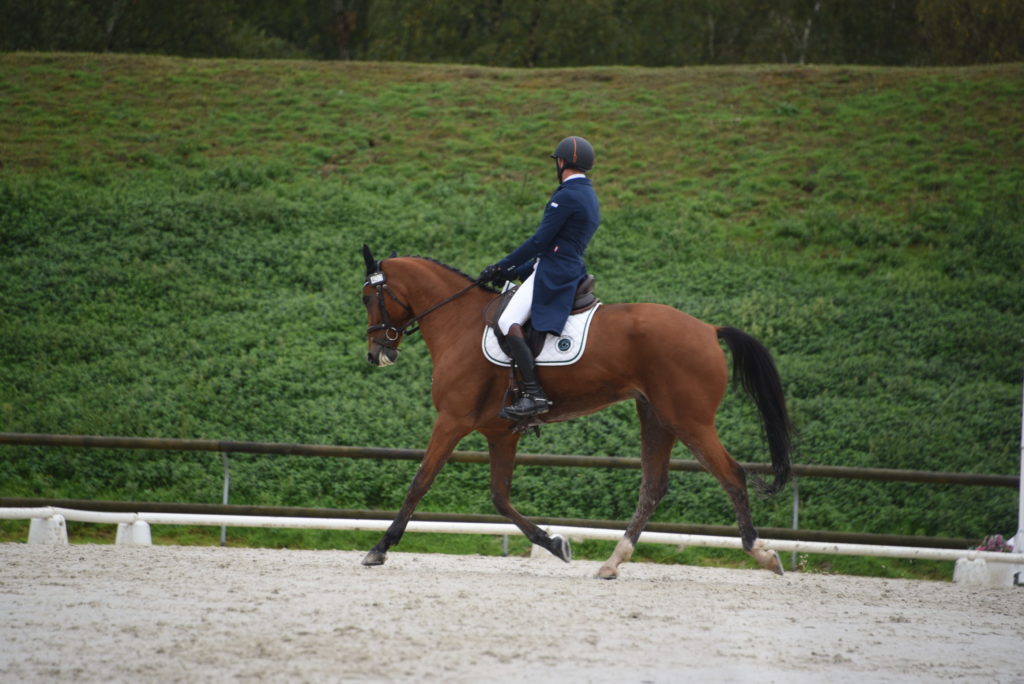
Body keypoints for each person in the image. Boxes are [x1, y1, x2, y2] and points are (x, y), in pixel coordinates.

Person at [478, 135, 601, 419]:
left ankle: (534, 394)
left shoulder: (567, 195)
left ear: (561, 162)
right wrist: (513, 271)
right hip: (563, 264)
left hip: (555, 269)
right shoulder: (588, 194)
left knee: (508, 320)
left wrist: (500, 266)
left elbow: (539, 242)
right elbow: (555, 245)